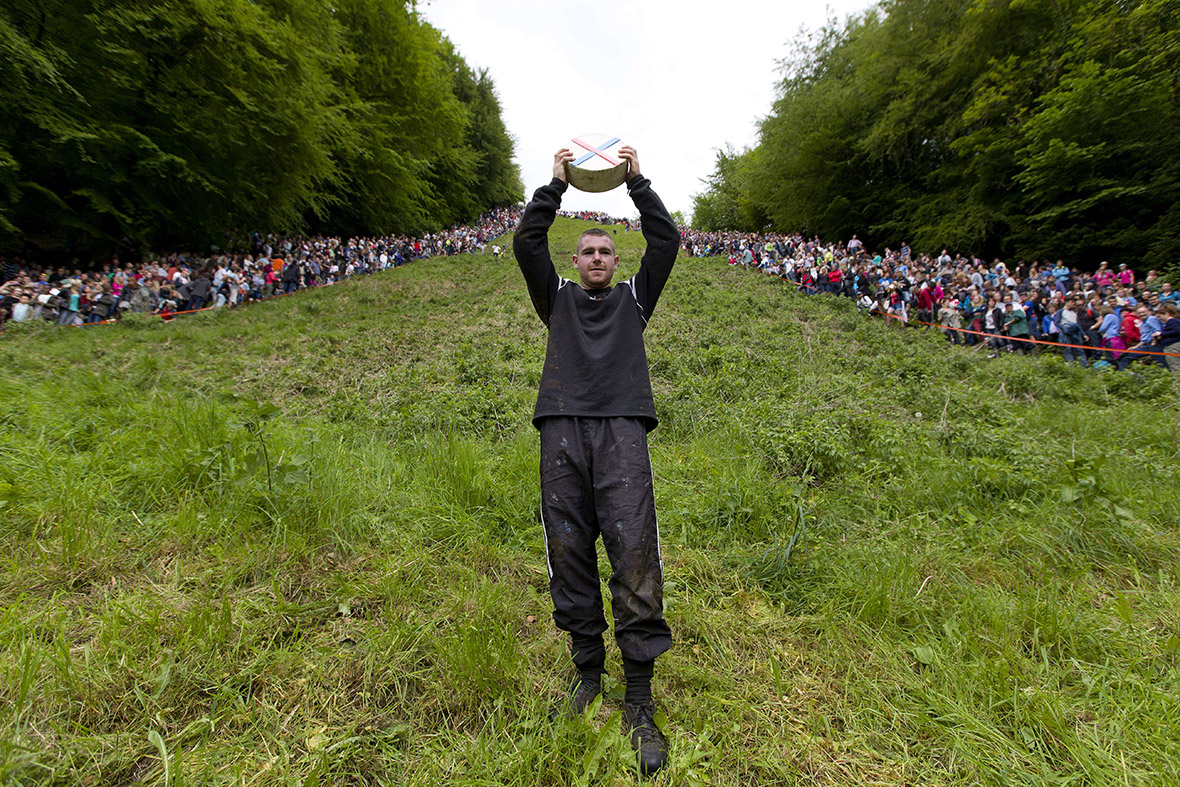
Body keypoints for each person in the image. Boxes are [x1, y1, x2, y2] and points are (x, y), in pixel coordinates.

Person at [513, 146, 676, 777]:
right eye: (589, 252)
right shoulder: (556, 300)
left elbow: (665, 241)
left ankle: (638, 699)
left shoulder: (635, 301)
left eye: (608, 251)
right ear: (575, 262)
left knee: (634, 548)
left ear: (617, 260)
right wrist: (554, 185)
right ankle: (587, 674)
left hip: (622, 433)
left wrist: (636, 183)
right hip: (561, 429)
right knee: (570, 547)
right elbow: (529, 240)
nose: (599, 259)